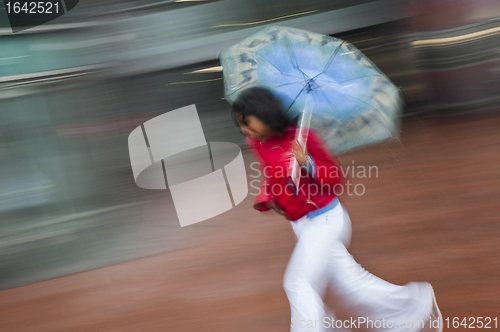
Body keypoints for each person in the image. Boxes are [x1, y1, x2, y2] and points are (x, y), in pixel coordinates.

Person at [231, 86, 443, 332]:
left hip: (326, 220)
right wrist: (271, 198)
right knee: (351, 285)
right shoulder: (257, 142)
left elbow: (336, 179)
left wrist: (306, 162)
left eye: (247, 123)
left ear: (265, 114)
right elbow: (272, 176)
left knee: (297, 283)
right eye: (241, 125)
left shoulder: (303, 137)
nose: (245, 131)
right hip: (300, 224)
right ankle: (415, 305)